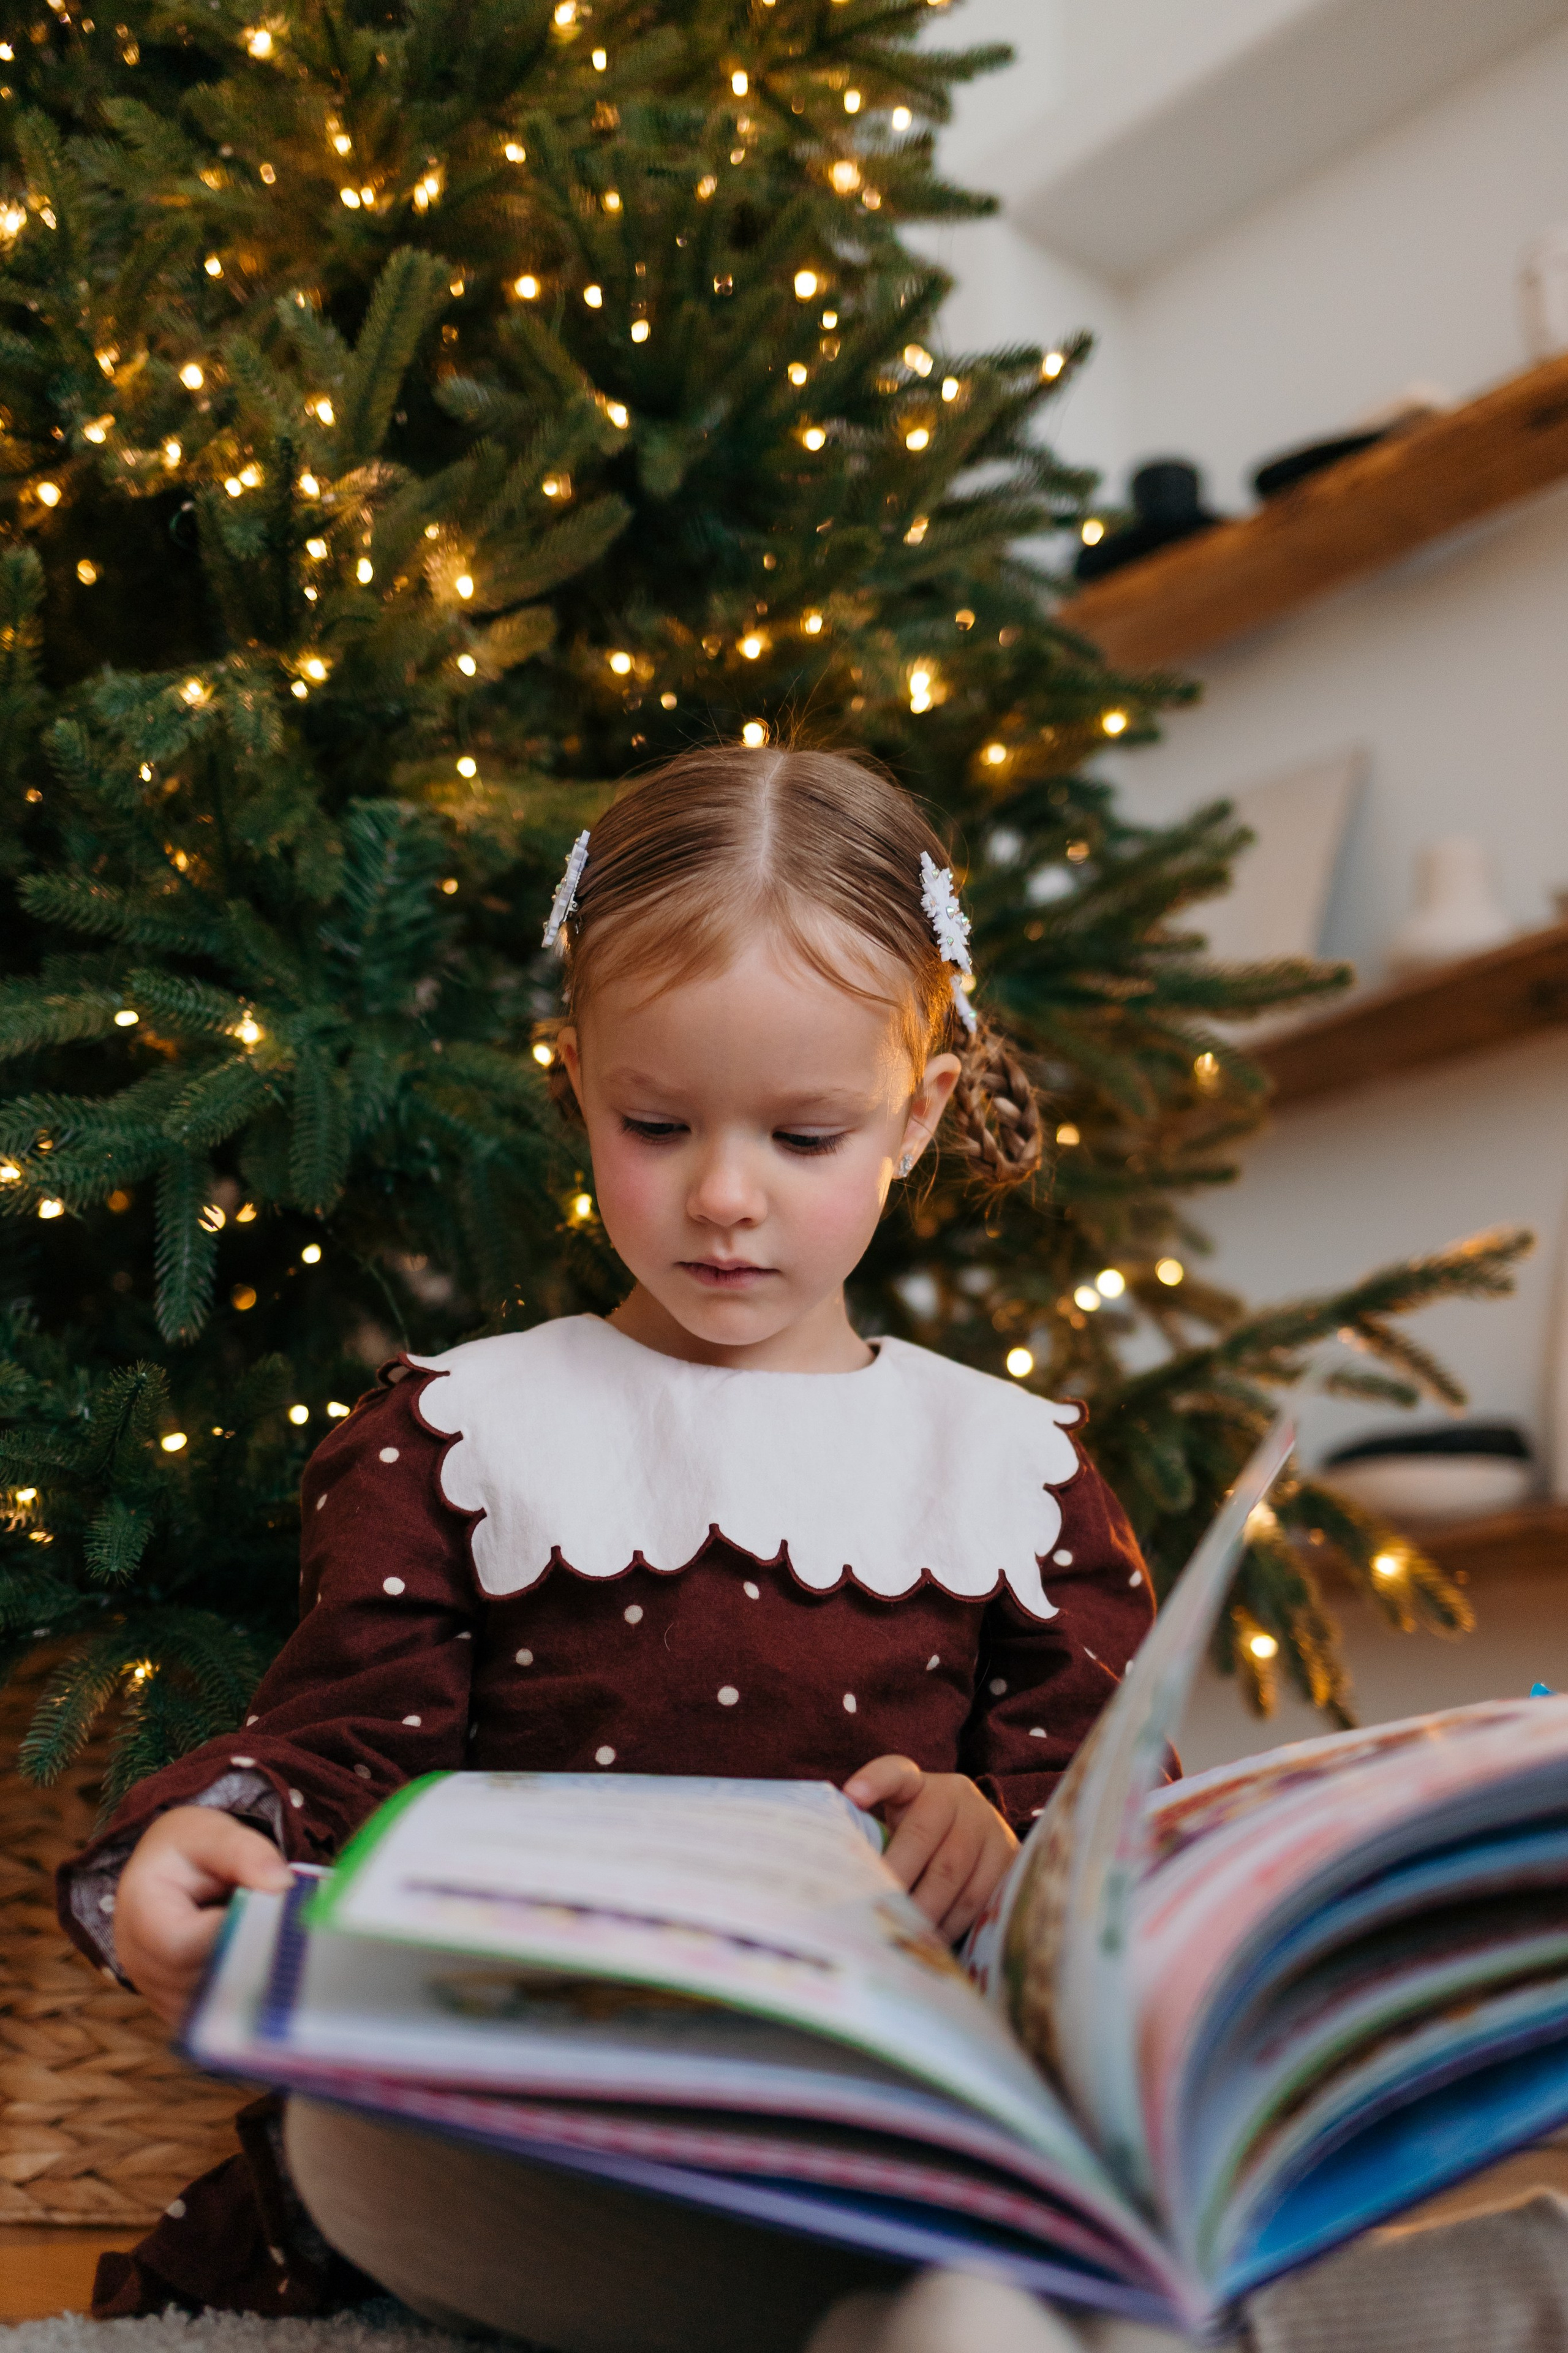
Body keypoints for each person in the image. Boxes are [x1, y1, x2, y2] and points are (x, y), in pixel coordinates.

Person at [57, 744, 1161, 2352]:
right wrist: (202, 1846)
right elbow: (348, 1754)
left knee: (1017, 2233)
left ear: (914, 1117)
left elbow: (1116, 1828)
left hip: (884, 2133)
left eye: (804, 1136)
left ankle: (916, 2298)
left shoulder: (1016, 1467)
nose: (724, 1197)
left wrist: (1003, 1842)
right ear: (575, 1080)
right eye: (658, 1121)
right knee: (353, 2155)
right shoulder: (453, 1431)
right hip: (532, 2138)